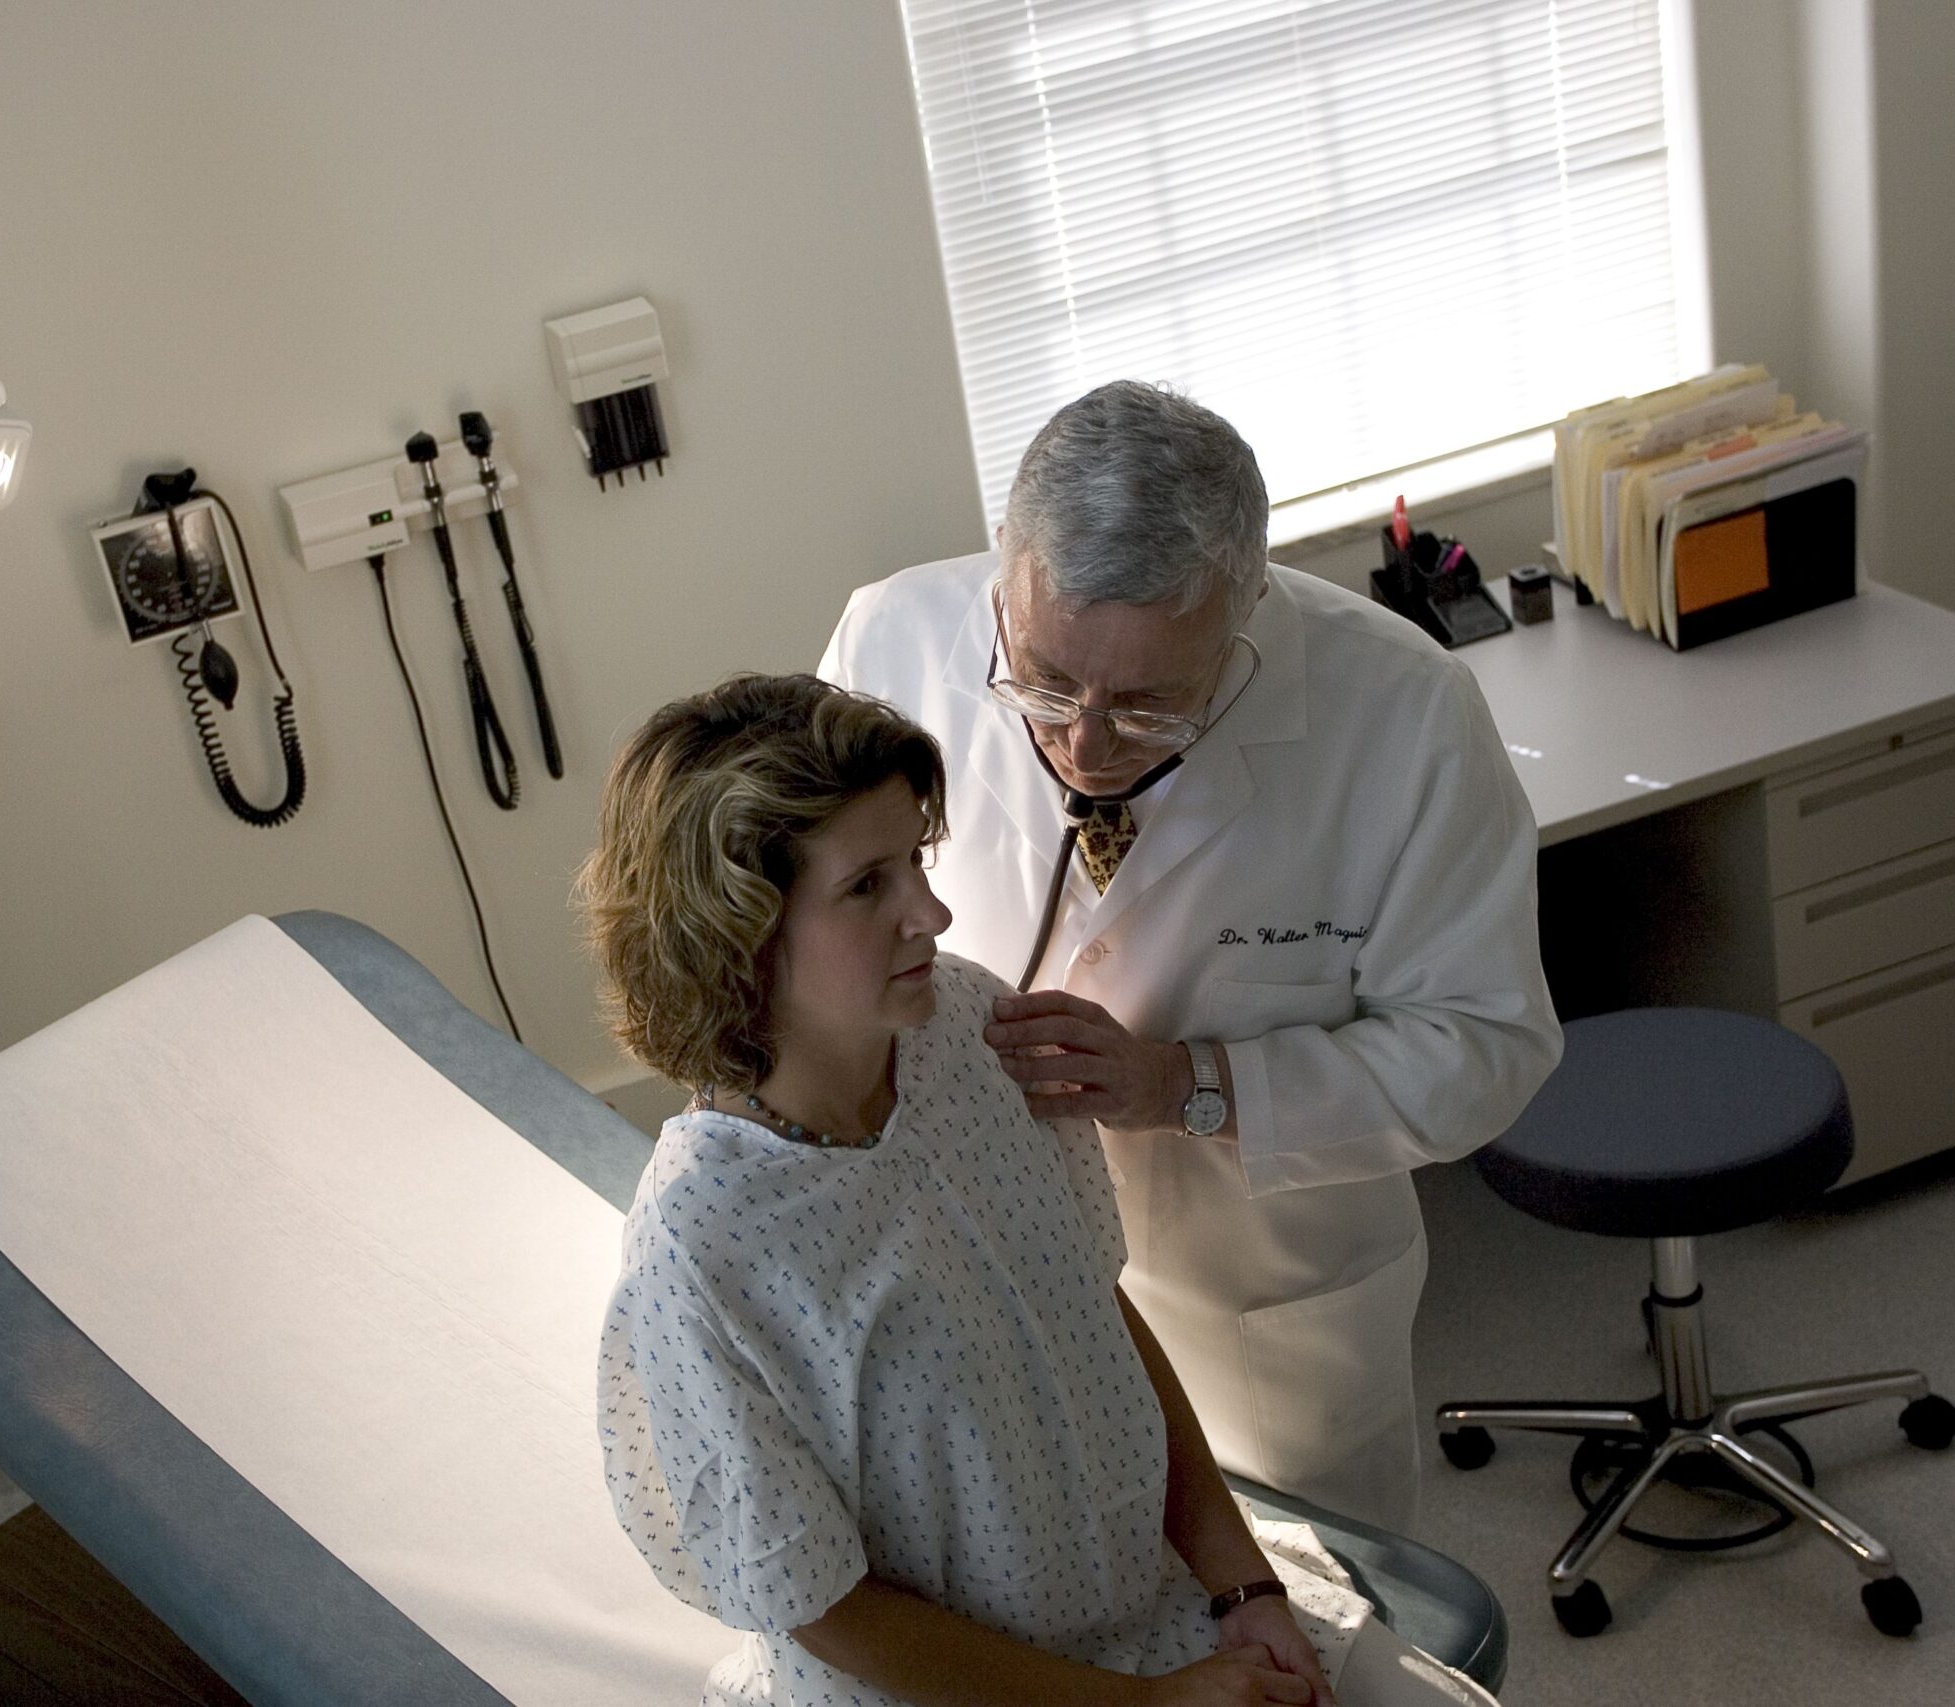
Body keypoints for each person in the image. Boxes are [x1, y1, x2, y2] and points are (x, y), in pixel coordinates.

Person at [582, 674, 1496, 1707]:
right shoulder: (701, 1247)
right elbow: (825, 1608)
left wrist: (1242, 1584)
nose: (931, 912)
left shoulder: (971, 1029)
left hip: (1143, 1607)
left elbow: (1093, 1314)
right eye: (866, 886)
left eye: (915, 863)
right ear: (736, 932)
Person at [818, 382, 1560, 1529]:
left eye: (1154, 703)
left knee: (1310, 1626)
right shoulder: (889, 642)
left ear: (1246, 606)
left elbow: (1486, 1047)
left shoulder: (1406, 716)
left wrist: (1196, 1084)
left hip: (1269, 1311)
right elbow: (806, 920)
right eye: (1046, 683)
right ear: (1003, 574)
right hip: (980, 1275)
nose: (1086, 742)